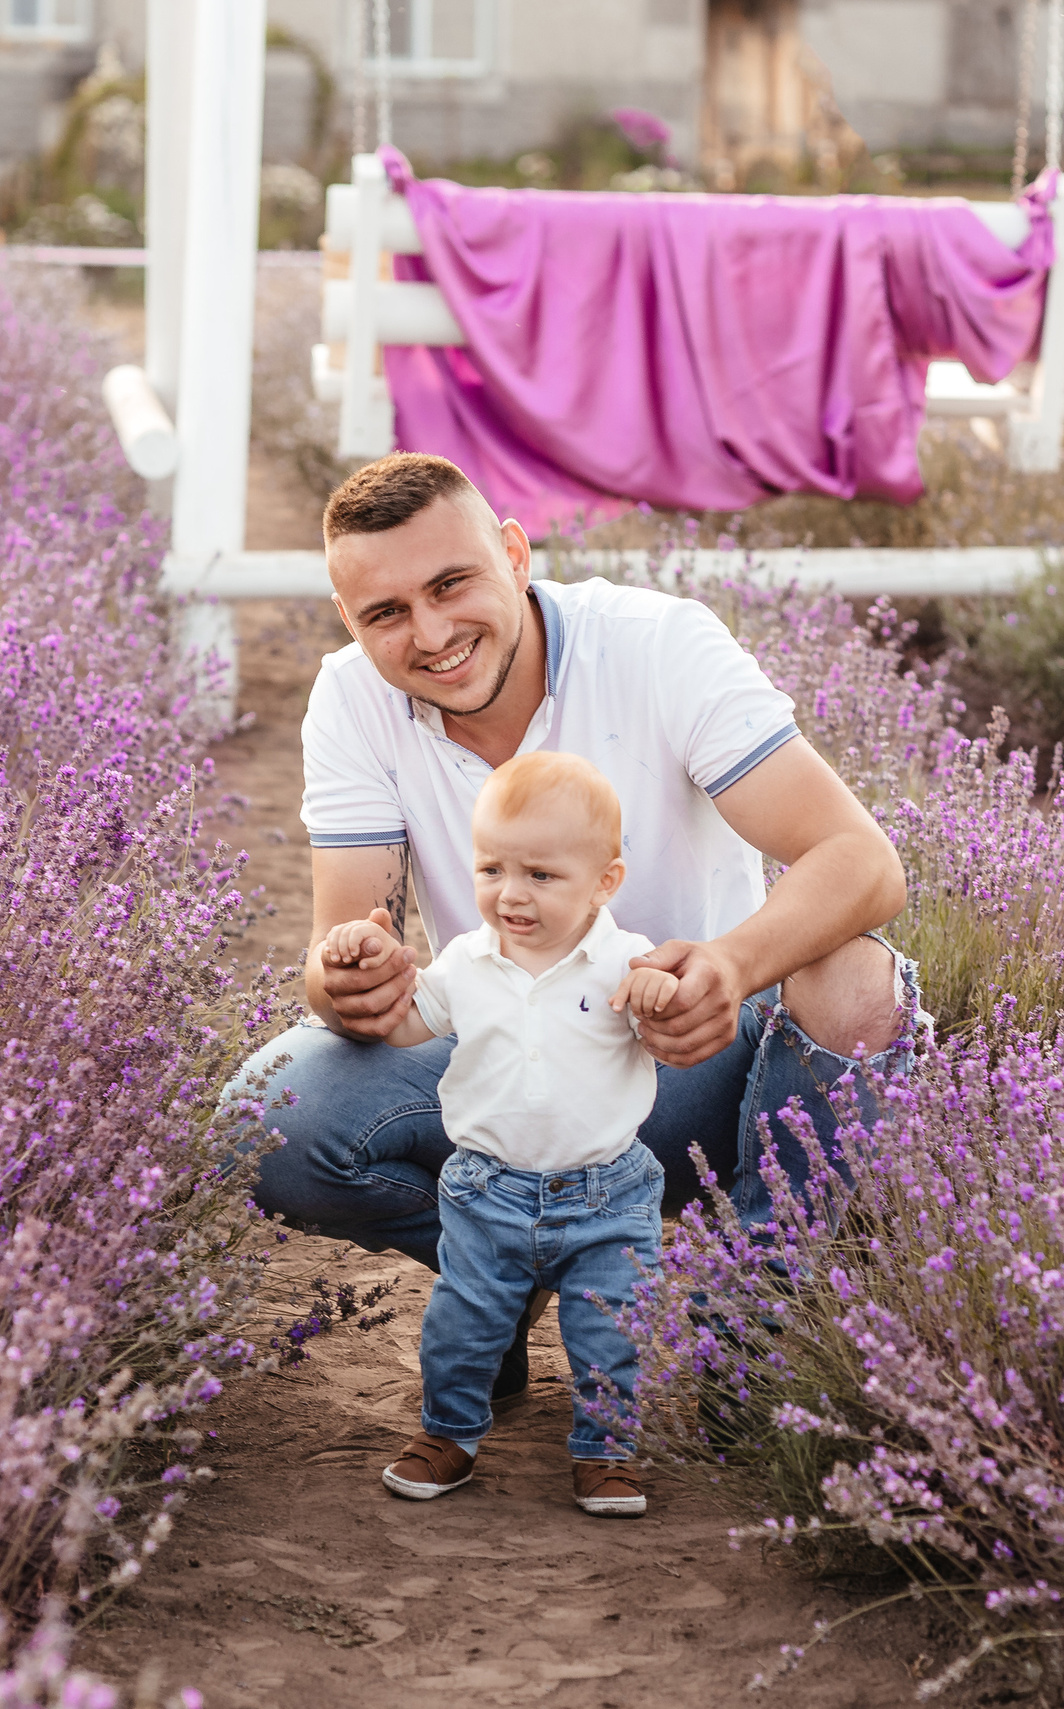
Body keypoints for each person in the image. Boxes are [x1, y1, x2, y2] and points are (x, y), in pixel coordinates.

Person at [229, 450, 919, 1411]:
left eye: (451, 583)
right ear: (350, 620)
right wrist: (347, 977)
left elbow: (863, 859)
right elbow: (344, 947)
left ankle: (755, 1333)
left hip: (695, 1064)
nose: (430, 634)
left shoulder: (657, 644)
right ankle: (497, 1278)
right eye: (386, 612)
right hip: (505, 1069)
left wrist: (729, 962)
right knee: (267, 1117)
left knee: (857, 978)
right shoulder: (351, 697)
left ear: (513, 553)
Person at [322, 750, 676, 1515]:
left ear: (604, 881)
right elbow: (410, 1020)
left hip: (606, 1191)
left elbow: (668, 1023)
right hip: (488, 1188)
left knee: (612, 1328)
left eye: (541, 876)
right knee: (462, 1323)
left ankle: (606, 1448)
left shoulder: (621, 959)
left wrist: (659, 993)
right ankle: (449, 1431)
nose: (510, 894)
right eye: (491, 870)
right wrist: (379, 960)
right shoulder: (467, 962)